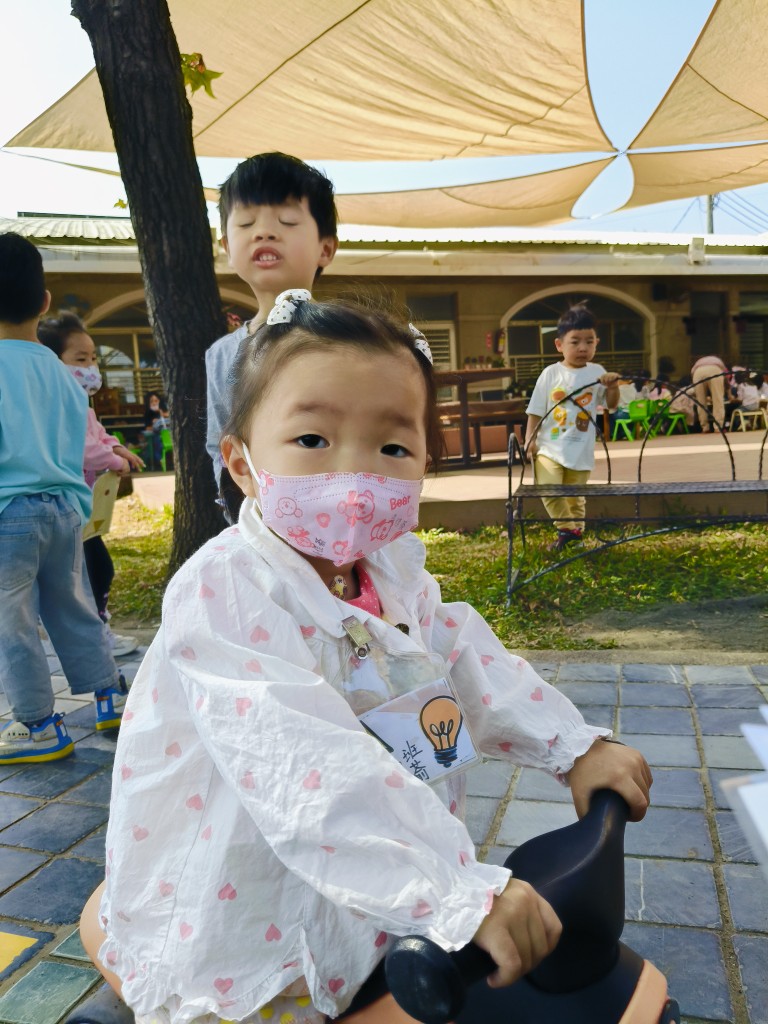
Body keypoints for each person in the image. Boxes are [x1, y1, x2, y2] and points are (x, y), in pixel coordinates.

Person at [81, 294, 651, 1024]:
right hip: (247, 894)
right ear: (242, 463)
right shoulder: (227, 591)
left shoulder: (389, 571)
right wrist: (452, 890)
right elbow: (299, 759)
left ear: (425, 464)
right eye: (313, 439)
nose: (353, 476)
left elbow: (462, 652)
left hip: (379, 879)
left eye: (392, 448)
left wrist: (571, 745)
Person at [0, 233, 128, 763]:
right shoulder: (63, 374)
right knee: (74, 609)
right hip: (64, 510)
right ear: (45, 301)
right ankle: (109, 695)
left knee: (12, 624)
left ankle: (38, 725)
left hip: (8, 513)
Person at [205, 152, 338, 518]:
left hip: (339, 514)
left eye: (287, 221)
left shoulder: (347, 341)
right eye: (246, 223)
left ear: (326, 248)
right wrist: (239, 517)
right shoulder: (221, 355)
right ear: (227, 248)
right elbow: (220, 447)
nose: (263, 232)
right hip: (258, 526)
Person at [38, 312, 144, 658]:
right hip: (64, 505)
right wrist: (114, 460)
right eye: (80, 359)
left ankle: (94, 632)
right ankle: (93, 637)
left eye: (93, 358)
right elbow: (79, 446)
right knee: (94, 570)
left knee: (92, 570)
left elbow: (96, 434)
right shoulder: (55, 399)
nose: (91, 367)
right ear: (54, 361)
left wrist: (116, 447)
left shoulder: (80, 401)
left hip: (83, 507)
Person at [524, 303, 620, 551]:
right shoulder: (550, 373)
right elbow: (535, 410)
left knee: (575, 498)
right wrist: (529, 439)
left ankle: (574, 541)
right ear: (559, 345)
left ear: (597, 343)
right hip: (549, 447)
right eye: (575, 342)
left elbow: (611, 405)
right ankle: (569, 530)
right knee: (548, 488)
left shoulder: (598, 372)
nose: (582, 348)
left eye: (589, 342)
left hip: (581, 449)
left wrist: (612, 387)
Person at [691, 354, 729, 432]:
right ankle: (718, 427)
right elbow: (726, 378)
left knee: (700, 401)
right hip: (714, 370)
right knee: (718, 399)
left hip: (698, 372)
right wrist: (727, 390)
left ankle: (705, 427)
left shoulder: (699, 362)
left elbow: (692, 374)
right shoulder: (718, 361)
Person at [142, 391, 170, 469]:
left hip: (169, 437)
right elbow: (147, 428)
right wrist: (155, 425)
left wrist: (162, 414)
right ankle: (158, 462)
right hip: (157, 436)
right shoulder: (148, 414)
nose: (154, 403)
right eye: (151, 401)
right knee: (155, 441)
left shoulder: (166, 411)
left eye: (156, 400)